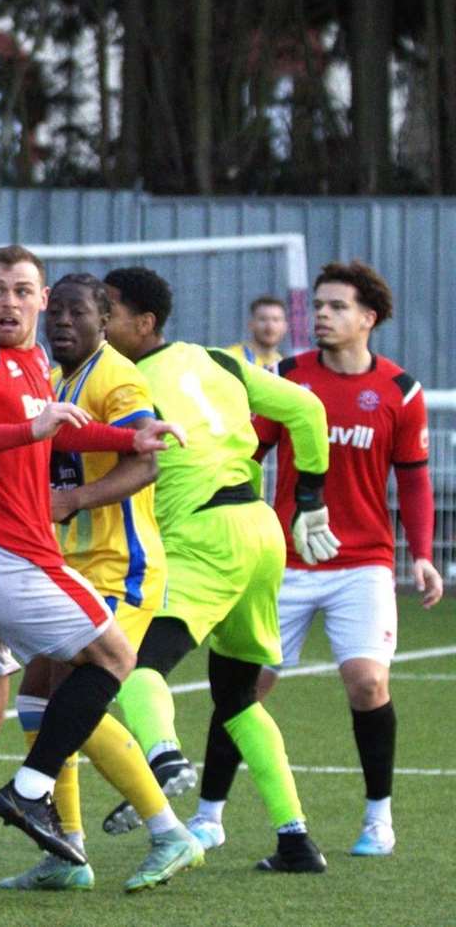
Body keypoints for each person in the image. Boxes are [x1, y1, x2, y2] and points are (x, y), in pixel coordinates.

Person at [0, 246, 184, 898]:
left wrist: (127, 440)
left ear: (38, 300)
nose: (11, 302)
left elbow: (56, 435)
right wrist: (29, 426)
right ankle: (33, 792)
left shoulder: (33, 364)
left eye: (23, 291)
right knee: (113, 656)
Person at [193, 261, 441, 859]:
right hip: (283, 562)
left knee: (367, 681)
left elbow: (413, 479)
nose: (322, 316)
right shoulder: (288, 378)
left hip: (363, 564)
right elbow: (246, 451)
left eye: (335, 306)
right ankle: (208, 816)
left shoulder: (400, 392)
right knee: (245, 688)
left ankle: (377, 819)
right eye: (319, 306)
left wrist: (426, 555)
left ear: (367, 318)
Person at [101, 265, 338, 873]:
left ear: (143, 322)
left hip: (204, 535)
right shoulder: (219, 360)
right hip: (260, 529)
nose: (98, 320)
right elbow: (307, 408)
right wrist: (310, 496)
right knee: (237, 697)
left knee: (134, 662)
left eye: (109, 309)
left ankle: (162, 759)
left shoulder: (121, 380)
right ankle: (295, 839)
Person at [0, 273, 204, 892]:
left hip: (121, 564)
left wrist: (74, 499)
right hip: (75, 565)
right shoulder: (59, 381)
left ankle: (170, 833)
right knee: (36, 698)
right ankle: (68, 849)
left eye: (76, 312)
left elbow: (147, 461)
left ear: (105, 320)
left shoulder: (118, 377)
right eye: (53, 310)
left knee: (68, 699)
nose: (60, 321)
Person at [224, 295, 288, 370]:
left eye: (276, 320)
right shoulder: (232, 357)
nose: (270, 326)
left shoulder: (283, 365)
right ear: (251, 324)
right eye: (263, 319)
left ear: (285, 326)